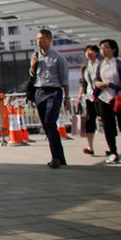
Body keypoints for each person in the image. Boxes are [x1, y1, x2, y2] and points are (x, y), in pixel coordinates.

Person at [30, 29, 70, 169]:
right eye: (37, 39)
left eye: (42, 38)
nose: (39, 41)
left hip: (54, 92)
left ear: (49, 39)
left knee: (50, 122)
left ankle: (55, 158)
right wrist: (33, 65)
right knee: (47, 126)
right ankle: (60, 157)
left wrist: (67, 98)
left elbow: (64, 80)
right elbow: (32, 75)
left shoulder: (59, 58)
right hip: (39, 92)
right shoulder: (35, 56)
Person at [75, 45, 101, 155]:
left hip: (102, 97)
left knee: (107, 121)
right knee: (90, 121)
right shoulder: (85, 67)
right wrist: (79, 96)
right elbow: (83, 84)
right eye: (86, 51)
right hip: (89, 97)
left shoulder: (101, 65)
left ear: (96, 53)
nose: (88, 53)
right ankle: (90, 147)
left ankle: (112, 148)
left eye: (91, 51)